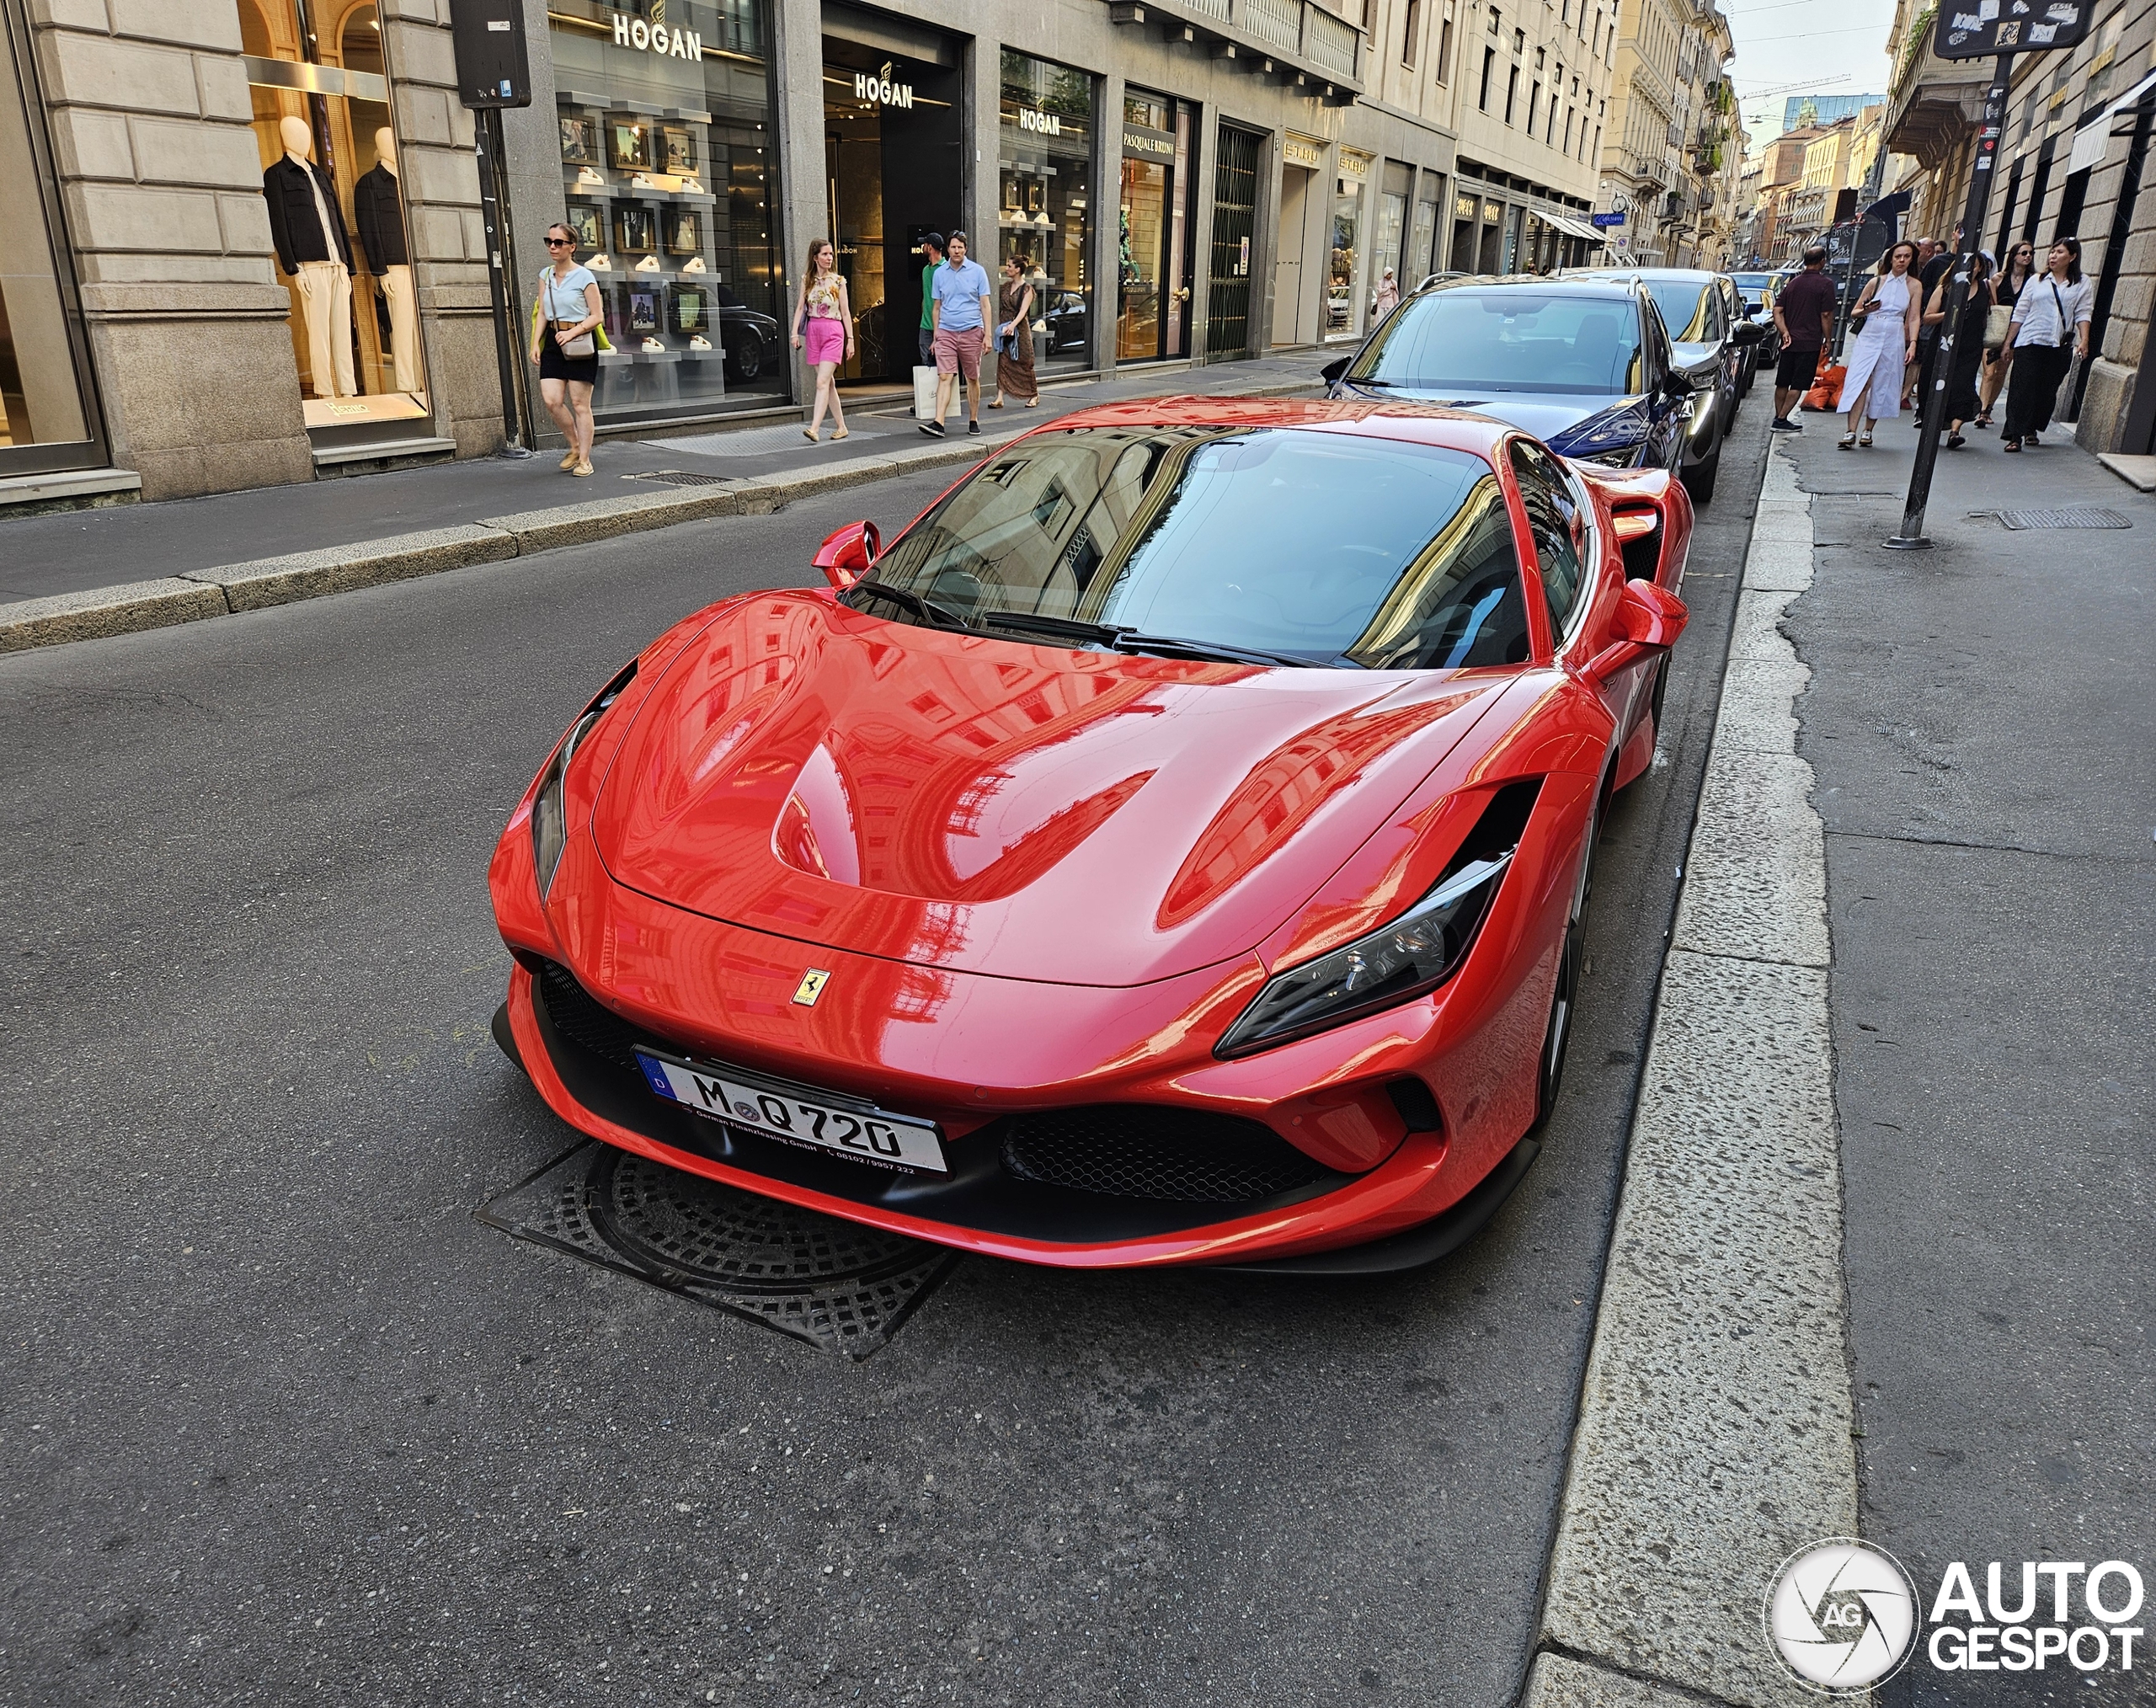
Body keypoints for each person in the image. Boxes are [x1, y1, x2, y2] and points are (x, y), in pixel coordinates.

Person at [1999, 237, 2094, 451]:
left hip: (2058, 345)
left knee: (2046, 390)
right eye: (2052, 252)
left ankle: (2031, 428)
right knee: (2022, 388)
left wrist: (2084, 340)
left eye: (2060, 252)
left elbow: (2083, 312)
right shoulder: (2037, 280)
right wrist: (2008, 343)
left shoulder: (2082, 283)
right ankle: (2014, 435)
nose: (2053, 256)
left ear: (2072, 257)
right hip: (2029, 340)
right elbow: (2020, 311)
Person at [528, 221, 602, 477]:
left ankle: (585, 460)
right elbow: (542, 314)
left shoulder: (584, 276)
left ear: (572, 247)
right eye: (549, 241)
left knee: (580, 404)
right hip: (553, 341)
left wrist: (573, 332)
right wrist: (536, 344)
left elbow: (597, 315)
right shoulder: (545, 275)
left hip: (580, 342)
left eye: (558, 242)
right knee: (552, 400)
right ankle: (574, 444)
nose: (552, 247)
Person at [1838, 240, 1921, 449]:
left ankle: (1868, 430)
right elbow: (1855, 311)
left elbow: (1914, 317)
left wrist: (1913, 343)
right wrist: (1867, 309)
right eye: (1898, 256)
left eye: (1906, 256)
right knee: (1861, 380)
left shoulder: (1914, 285)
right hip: (1871, 332)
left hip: (1894, 333)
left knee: (1884, 381)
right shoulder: (1876, 282)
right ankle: (1850, 431)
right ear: (1890, 259)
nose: (1902, 260)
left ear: (1912, 259)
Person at [921, 231, 993, 438]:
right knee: (945, 376)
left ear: (966, 249)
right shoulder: (940, 273)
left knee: (972, 377)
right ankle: (938, 423)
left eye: (960, 247)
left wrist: (987, 335)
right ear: (948, 249)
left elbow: (985, 305)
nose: (957, 251)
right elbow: (936, 306)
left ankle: (973, 419)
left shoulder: (978, 272)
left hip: (972, 331)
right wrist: (936, 336)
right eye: (953, 247)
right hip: (946, 332)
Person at [1922, 248, 1995, 450]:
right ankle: (1934, 425)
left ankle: (1955, 431)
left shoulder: (1986, 288)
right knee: (1939, 385)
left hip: (1971, 346)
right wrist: (1949, 314)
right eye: (1967, 265)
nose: (1971, 269)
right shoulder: (1945, 288)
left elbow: (1993, 314)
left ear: (1981, 268)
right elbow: (1927, 318)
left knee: (1963, 387)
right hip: (1943, 344)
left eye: (1976, 265)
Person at [791, 238, 854, 443]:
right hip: (813, 332)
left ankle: (815, 428)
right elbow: (801, 307)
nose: (829, 258)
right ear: (815, 257)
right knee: (829, 383)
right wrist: (794, 333)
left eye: (831, 254)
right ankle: (841, 426)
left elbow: (845, 312)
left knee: (821, 382)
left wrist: (850, 339)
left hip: (833, 331)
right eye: (825, 254)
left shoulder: (838, 281)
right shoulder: (807, 280)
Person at [1771, 244, 1837, 430]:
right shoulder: (1826, 284)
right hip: (1809, 342)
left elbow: (1777, 311)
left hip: (1789, 342)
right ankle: (1781, 419)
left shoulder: (1793, 283)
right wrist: (1828, 339)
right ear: (1822, 261)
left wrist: (1784, 332)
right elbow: (1826, 315)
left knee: (1783, 381)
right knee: (1798, 383)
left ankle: (1778, 416)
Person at [1977, 240, 2035, 426]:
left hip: (2017, 330)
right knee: (1989, 371)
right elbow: (1990, 305)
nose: (2028, 256)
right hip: (1996, 329)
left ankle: (1989, 407)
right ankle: (1982, 410)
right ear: (2014, 256)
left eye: (2030, 253)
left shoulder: (2033, 281)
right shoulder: (1998, 279)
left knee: (2002, 371)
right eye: (2024, 253)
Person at [1908, 227, 1960, 411]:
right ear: (1954, 234)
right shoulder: (1938, 262)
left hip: (1957, 323)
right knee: (1922, 356)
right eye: (1960, 231)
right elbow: (1924, 286)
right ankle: (1907, 395)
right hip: (1932, 316)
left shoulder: (1972, 261)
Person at [990, 254, 1038, 409]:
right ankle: (999, 398)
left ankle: (1034, 394)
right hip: (1005, 326)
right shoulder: (1005, 287)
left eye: (1009, 266)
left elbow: (1023, 311)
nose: (1007, 268)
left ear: (1017, 269)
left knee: (1024, 361)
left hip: (1020, 329)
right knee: (1003, 361)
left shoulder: (1027, 289)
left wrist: (1012, 326)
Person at [1901, 237, 1942, 408]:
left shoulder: (1934, 265)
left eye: (1919, 247)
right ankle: (1905, 393)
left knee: (1921, 357)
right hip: (1920, 315)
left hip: (1928, 315)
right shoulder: (1916, 269)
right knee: (1916, 357)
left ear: (1928, 251)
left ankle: (1912, 394)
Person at [915, 232, 943, 370]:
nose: (923, 247)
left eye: (925, 244)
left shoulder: (946, 269)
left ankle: (944, 392)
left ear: (930, 247)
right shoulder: (926, 270)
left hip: (944, 326)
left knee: (944, 366)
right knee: (927, 365)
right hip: (926, 325)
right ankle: (932, 392)